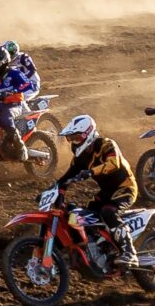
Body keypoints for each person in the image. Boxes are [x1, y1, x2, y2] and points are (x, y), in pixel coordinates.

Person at [51, 114, 143, 267]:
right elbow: (65, 179)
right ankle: (100, 248)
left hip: (125, 187)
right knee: (85, 215)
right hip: (107, 192)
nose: (74, 141)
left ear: (87, 133)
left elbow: (114, 163)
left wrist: (91, 172)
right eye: (72, 138)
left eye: (76, 137)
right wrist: (55, 191)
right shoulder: (80, 159)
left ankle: (130, 252)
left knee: (108, 212)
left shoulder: (106, 145)